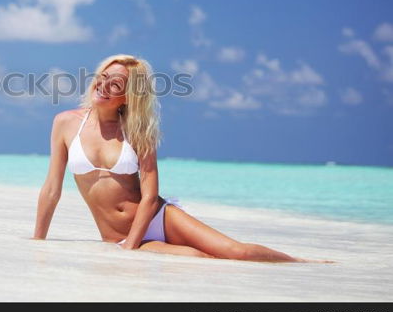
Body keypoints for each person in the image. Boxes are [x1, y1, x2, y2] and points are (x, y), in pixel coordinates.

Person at [33, 54, 320, 262]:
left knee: (236, 252)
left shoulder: (137, 132)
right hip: (116, 237)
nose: (104, 85)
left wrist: (130, 245)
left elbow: (149, 196)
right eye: (103, 77)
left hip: (157, 218)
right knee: (198, 260)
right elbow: (51, 189)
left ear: (129, 96)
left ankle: (303, 265)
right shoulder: (66, 123)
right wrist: (38, 242)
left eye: (116, 84)